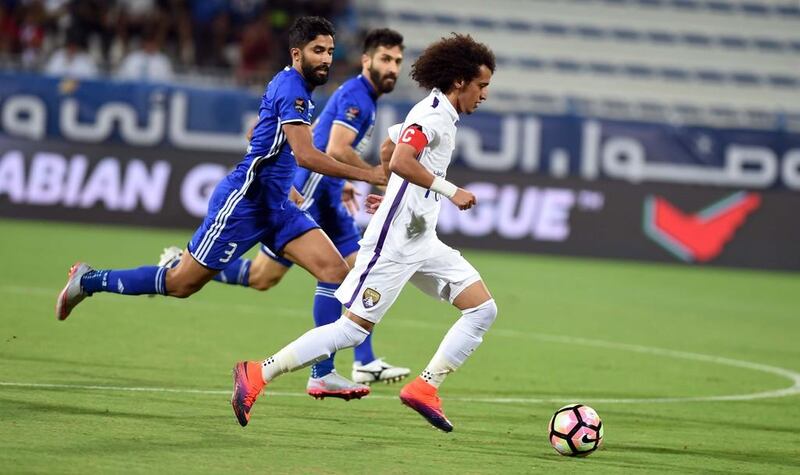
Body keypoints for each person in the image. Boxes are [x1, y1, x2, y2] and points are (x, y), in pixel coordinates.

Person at [230, 33, 497, 432]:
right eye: (482, 86)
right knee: (352, 330)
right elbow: (404, 158)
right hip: (394, 243)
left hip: (422, 239)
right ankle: (257, 372)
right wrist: (449, 190)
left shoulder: (438, 112)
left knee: (482, 309)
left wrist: (391, 192)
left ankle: (425, 388)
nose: (485, 95)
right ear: (460, 80)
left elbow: (391, 146)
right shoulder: (434, 115)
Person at [56, 16, 386, 336]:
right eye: (318, 51)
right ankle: (89, 280)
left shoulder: (295, 87)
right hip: (245, 203)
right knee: (181, 284)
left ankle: (322, 374)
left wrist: (283, 183)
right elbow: (306, 155)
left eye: (330, 51)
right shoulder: (293, 90)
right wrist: (367, 173)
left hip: (278, 206)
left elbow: (257, 133)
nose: (326, 59)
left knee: (334, 271)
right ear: (296, 53)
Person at [158, 28, 410, 397]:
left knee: (341, 272)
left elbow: (289, 136)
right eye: (386, 59)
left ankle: (361, 361)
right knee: (278, 276)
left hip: (324, 192)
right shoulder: (357, 97)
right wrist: (376, 177)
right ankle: (183, 266)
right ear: (367, 60)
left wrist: (341, 183)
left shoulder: (347, 94)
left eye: (398, 61)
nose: (393, 67)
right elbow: (337, 148)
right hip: (307, 193)